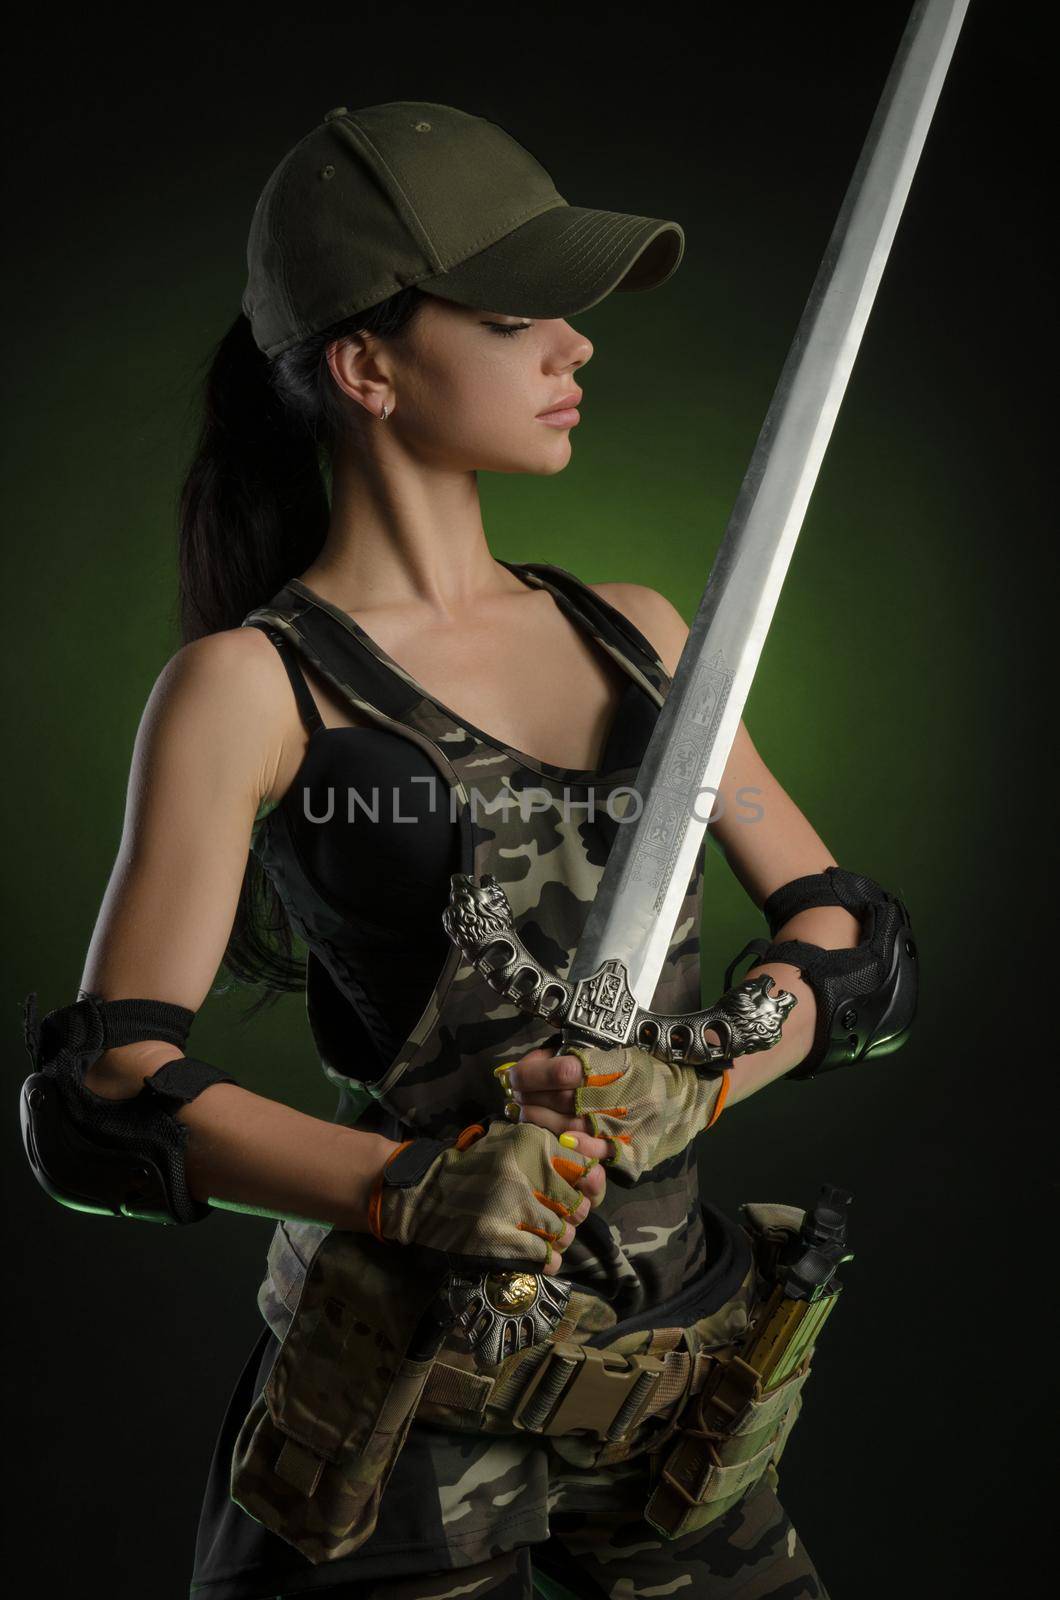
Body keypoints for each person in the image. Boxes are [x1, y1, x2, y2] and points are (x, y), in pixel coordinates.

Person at [19, 102, 917, 1599]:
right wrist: (402, 1190)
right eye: (516, 320)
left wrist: (707, 1069)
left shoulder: (639, 637)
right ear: (366, 366)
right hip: (404, 1430)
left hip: (684, 1409)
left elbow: (854, 945)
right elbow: (105, 1099)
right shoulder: (256, 686)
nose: (576, 352)